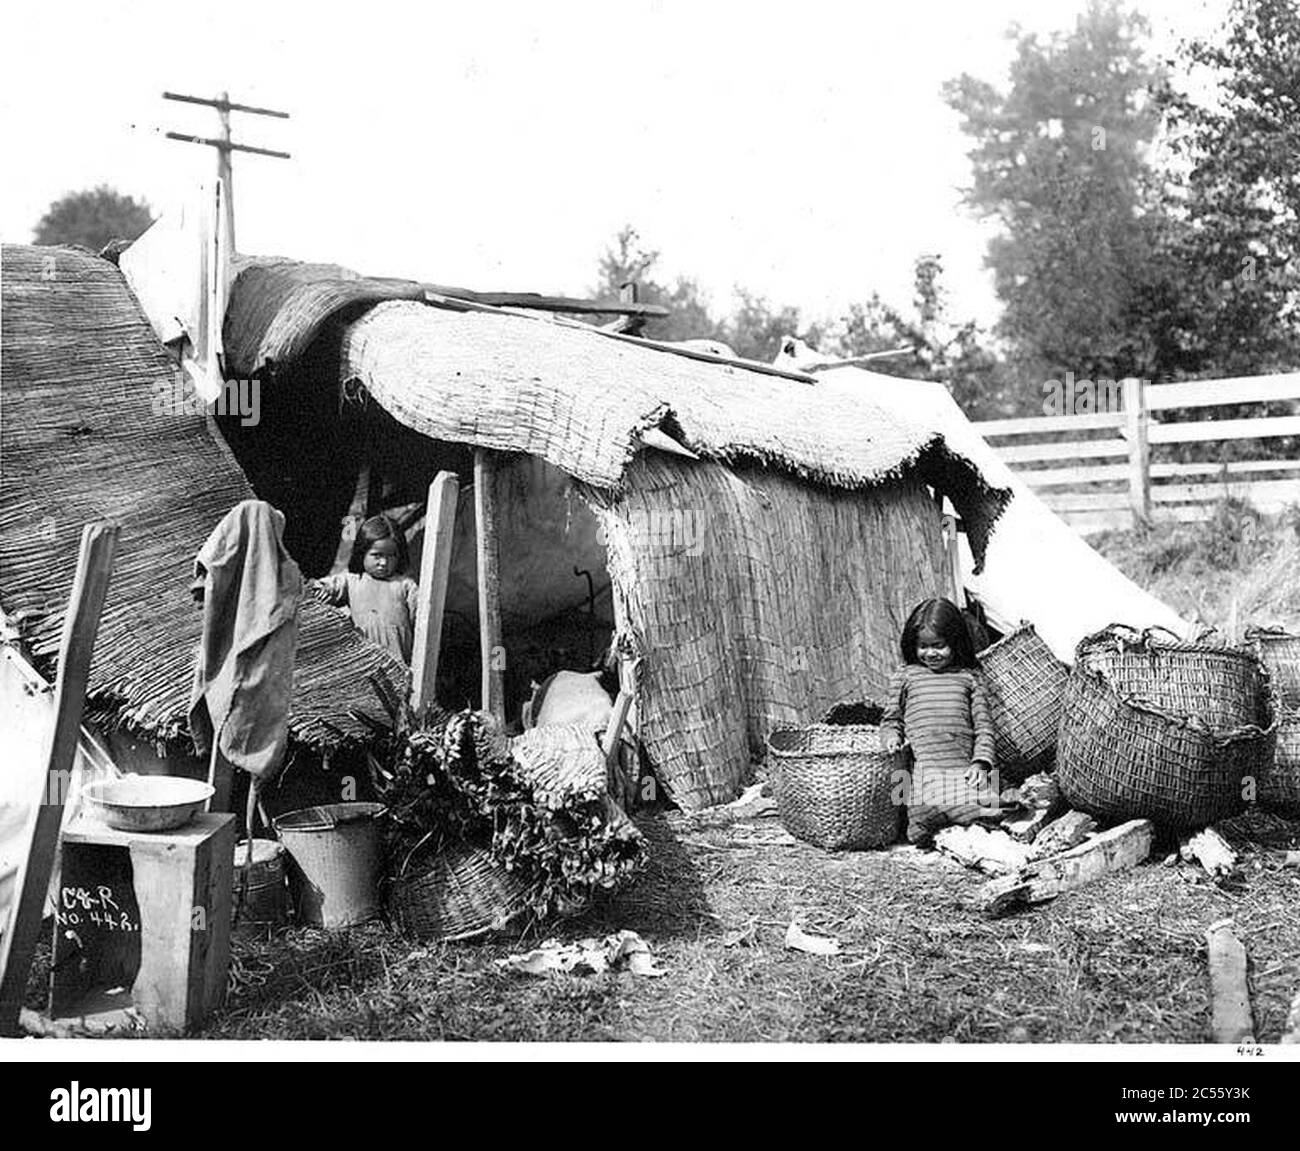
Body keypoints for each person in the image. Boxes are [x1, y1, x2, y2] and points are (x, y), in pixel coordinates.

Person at [879, 597, 997, 846]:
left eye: (939, 646)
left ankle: (966, 813)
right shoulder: (906, 676)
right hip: (923, 771)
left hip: (963, 771)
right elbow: (891, 719)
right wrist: (891, 738)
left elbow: (985, 729)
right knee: (914, 818)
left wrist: (981, 763)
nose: (930, 653)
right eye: (923, 646)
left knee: (991, 809)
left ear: (955, 642)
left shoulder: (969, 678)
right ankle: (929, 821)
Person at [309, 514, 420, 664]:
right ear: (362, 553)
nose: (383, 562)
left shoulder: (406, 586)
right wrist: (322, 593)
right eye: (377, 555)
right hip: (363, 666)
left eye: (391, 556)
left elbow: (421, 623)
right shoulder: (352, 581)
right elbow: (320, 587)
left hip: (400, 665)